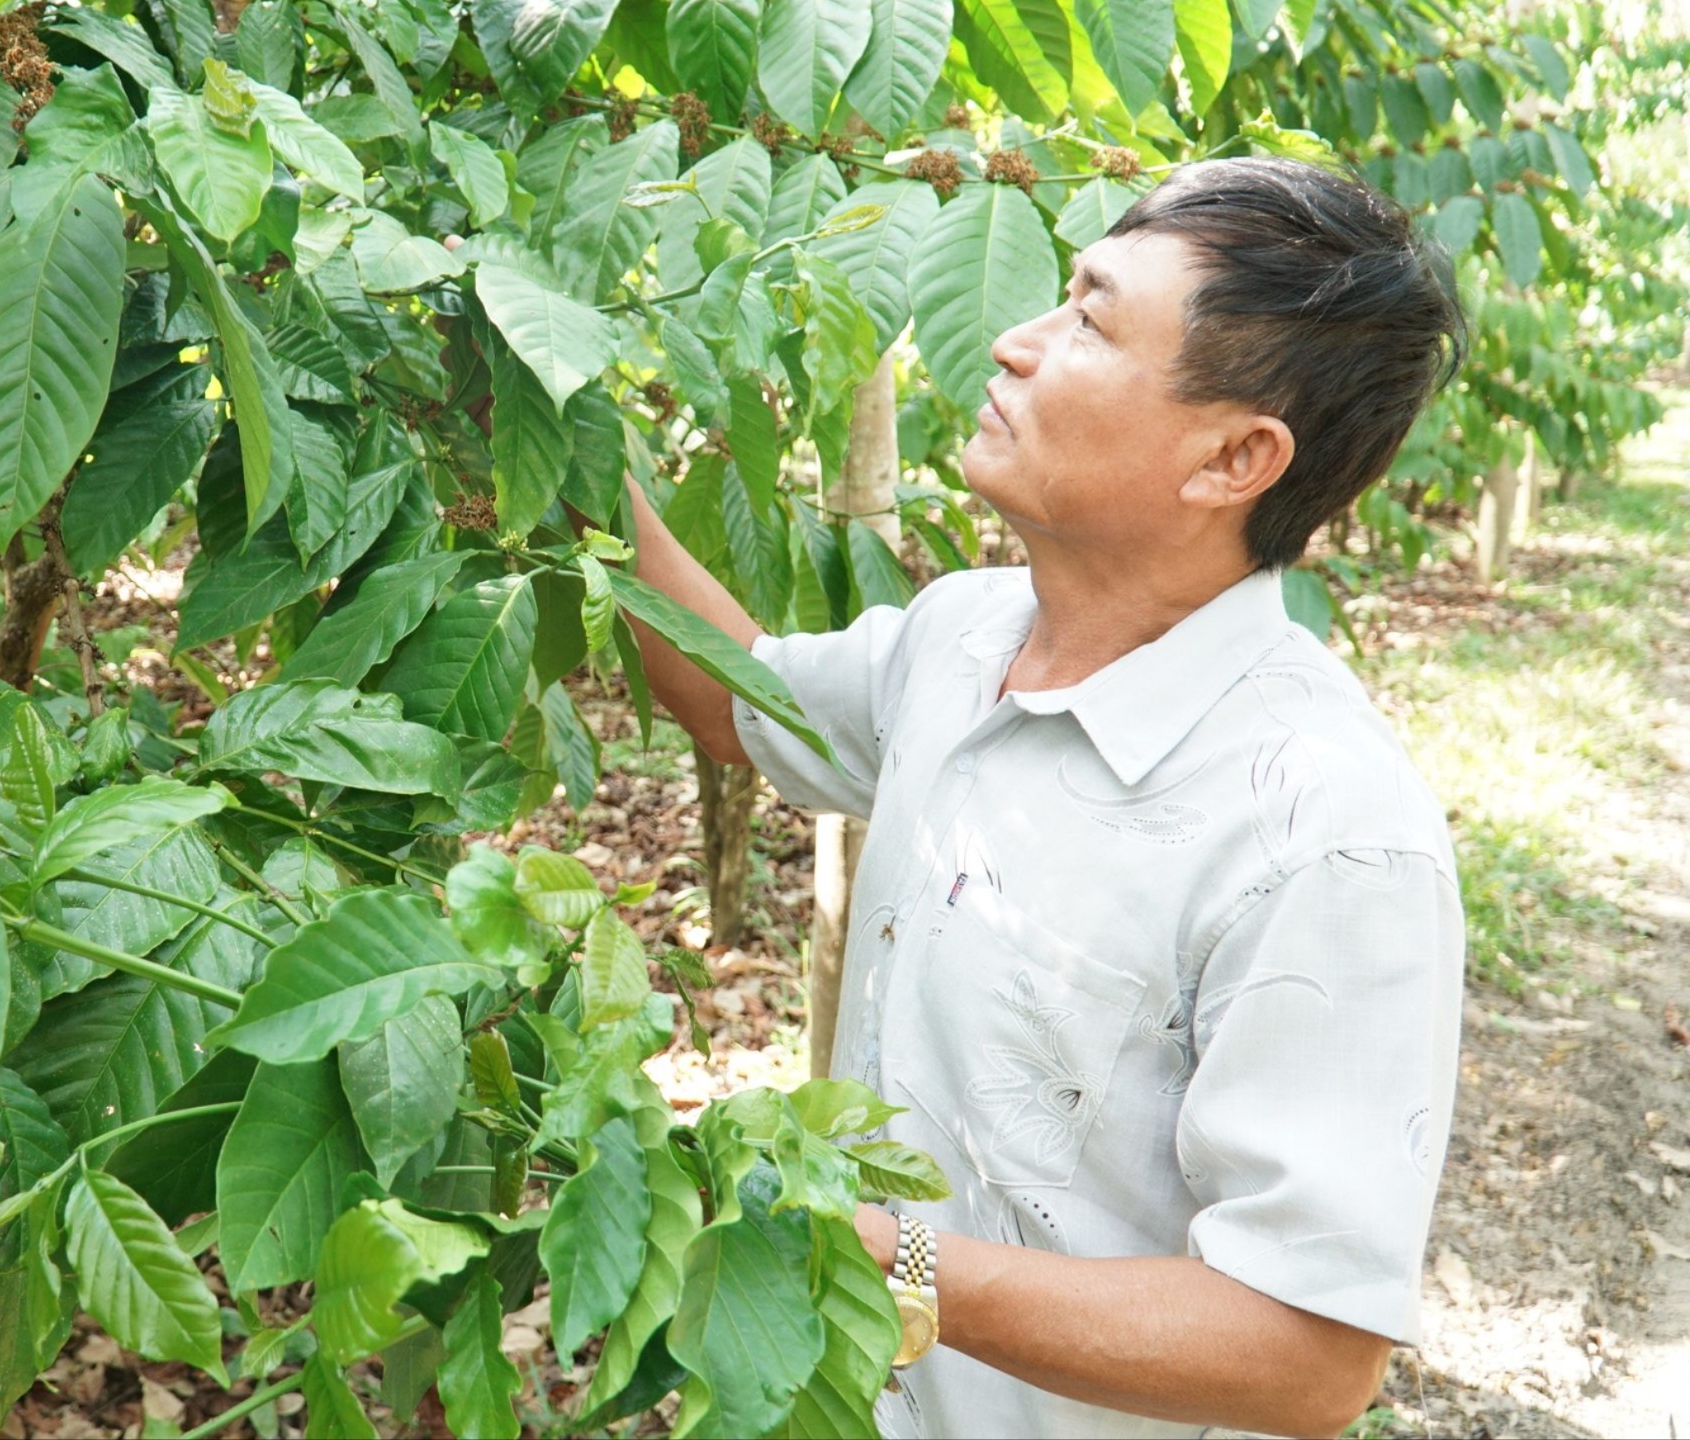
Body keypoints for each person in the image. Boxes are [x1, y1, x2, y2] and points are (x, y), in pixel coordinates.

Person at [617, 157, 1469, 1438]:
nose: (1012, 343)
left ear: (1234, 457)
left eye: (1088, 320)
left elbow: (1306, 1354)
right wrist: (564, 444)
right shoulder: (962, 635)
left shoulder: (1325, 833)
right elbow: (737, 699)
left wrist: (893, 1260)